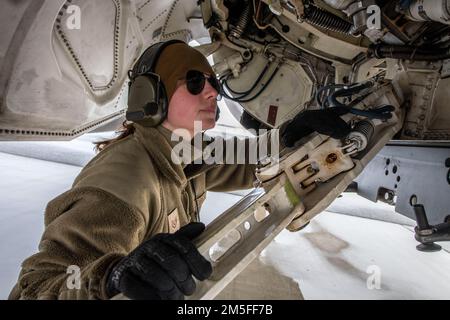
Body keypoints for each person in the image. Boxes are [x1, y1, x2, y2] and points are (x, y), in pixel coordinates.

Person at [9, 40, 351, 300]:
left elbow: (248, 159)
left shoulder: (184, 149)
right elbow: (37, 287)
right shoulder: (124, 179)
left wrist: (289, 136)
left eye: (214, 84)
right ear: (152, 95)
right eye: (194, 82)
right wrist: (113, 276)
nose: (213, 92)